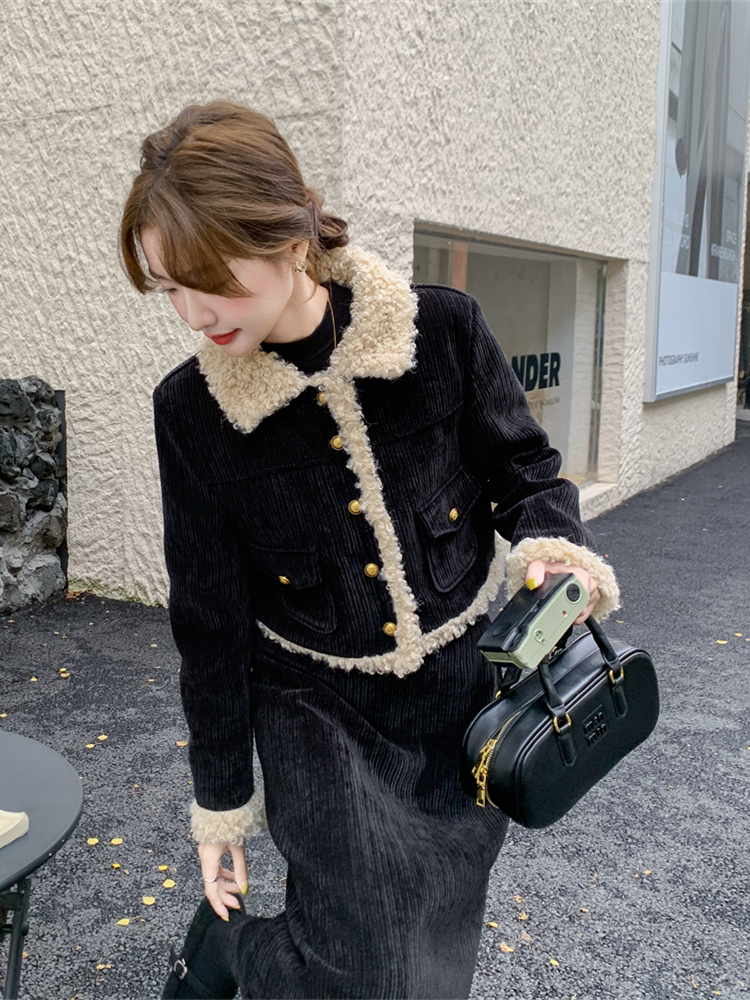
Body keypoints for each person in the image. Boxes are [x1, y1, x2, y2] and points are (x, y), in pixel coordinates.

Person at [119, 101, 619, 1000]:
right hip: (315, 713)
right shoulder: (189, 412)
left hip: (462, 696)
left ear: (290, 237)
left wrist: (555, 550)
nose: (193, 313)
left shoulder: (444, 332)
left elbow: (526, 471)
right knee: (369, 965)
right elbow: (210, 619)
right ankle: (237, 953)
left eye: (208, 278)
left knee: (434, 948)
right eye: (168, 288)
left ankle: (237, 952)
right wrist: (221, 802)